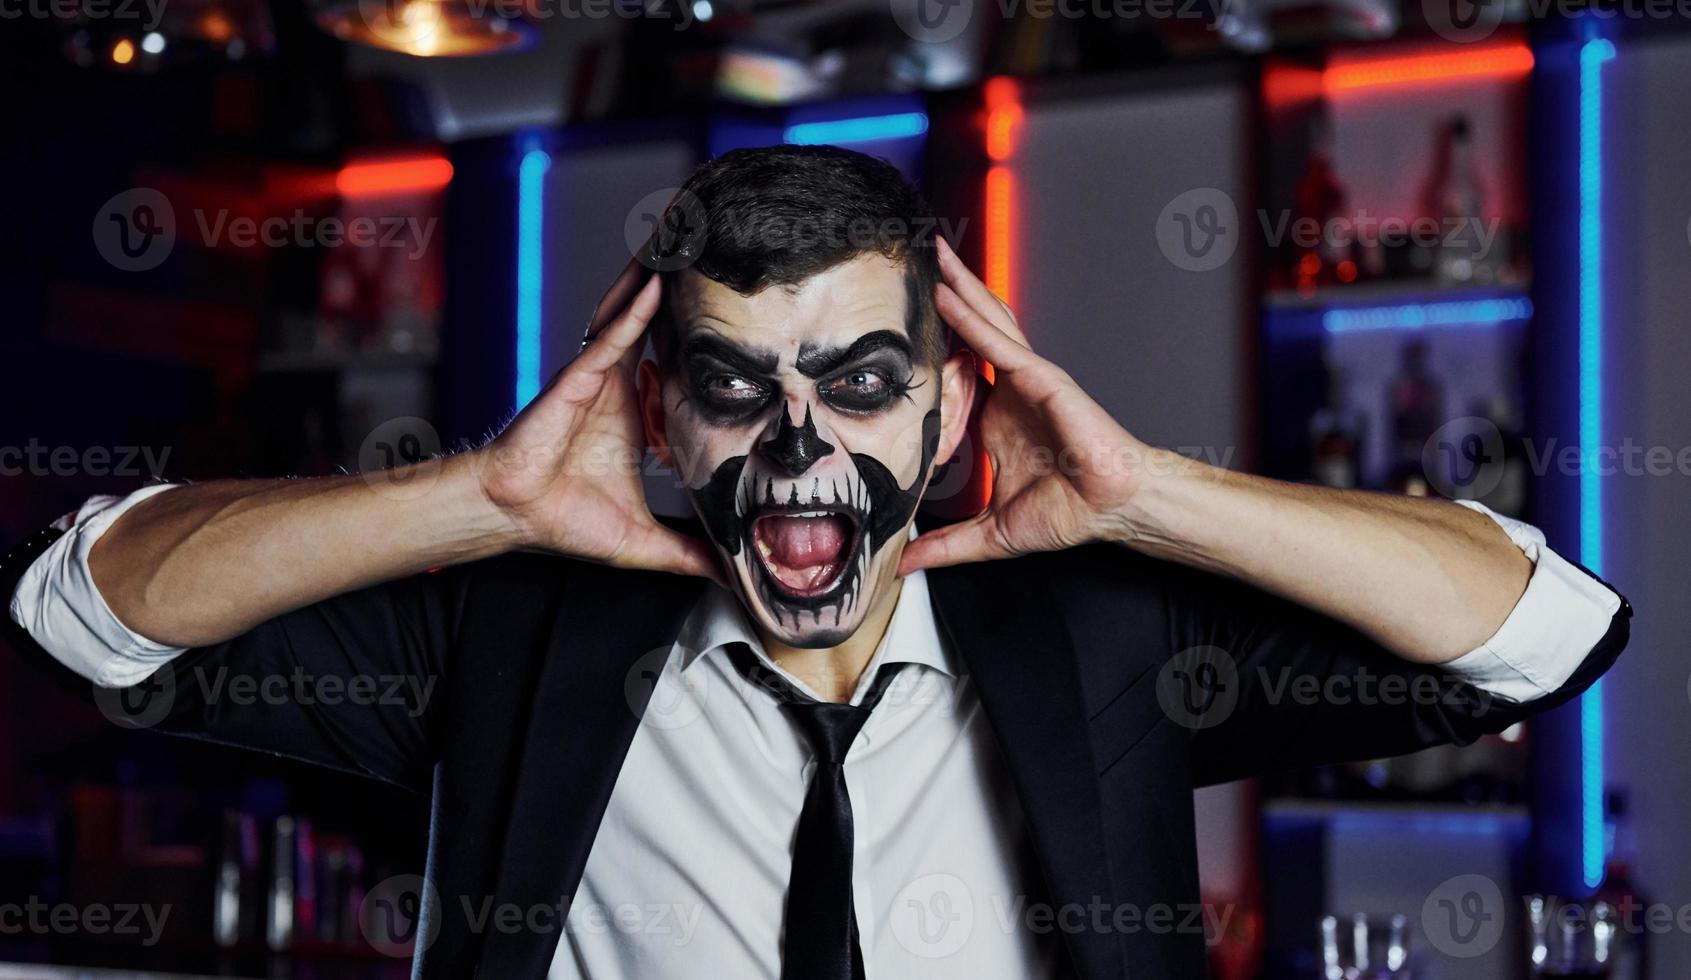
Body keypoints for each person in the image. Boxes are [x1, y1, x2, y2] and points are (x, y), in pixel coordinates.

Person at [2, 146, 1629, 979]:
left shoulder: (1103, 634)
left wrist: (1151, 495)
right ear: (658, 413)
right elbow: (87, 612)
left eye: (859, 379)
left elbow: (1539, 632)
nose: (801, 442)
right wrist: (478, 501)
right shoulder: (514, 634)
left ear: (948, 403)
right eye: (731, 387)